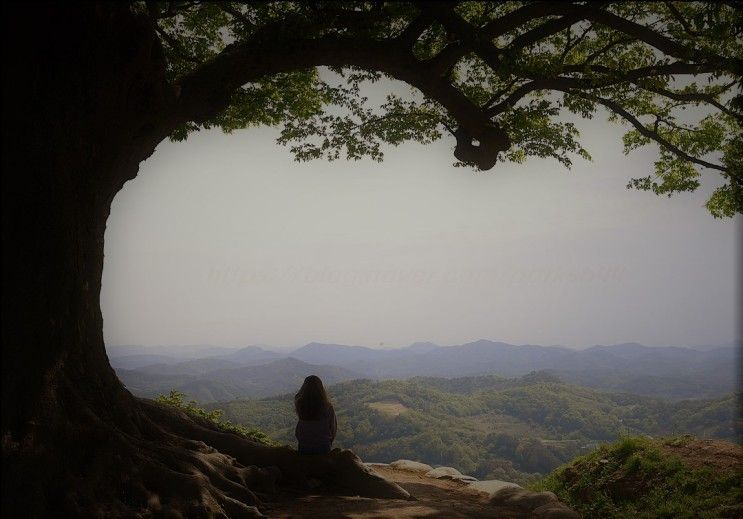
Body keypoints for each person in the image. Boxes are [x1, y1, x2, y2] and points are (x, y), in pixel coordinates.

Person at [294, 375, 337, 455]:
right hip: (323, 448)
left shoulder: (300, 406)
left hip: (304, 447)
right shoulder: (328, 407)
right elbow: (333, 428)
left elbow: (300, 429)